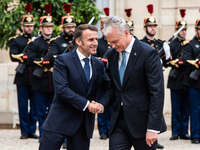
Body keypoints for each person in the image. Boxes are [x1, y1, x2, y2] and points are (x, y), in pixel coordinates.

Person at [39, 24, 110, 150]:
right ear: (78, 41)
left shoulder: (98, 64)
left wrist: (102, 105)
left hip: (83, 125)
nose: (95, 43)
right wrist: (88, 104)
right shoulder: (62, 60)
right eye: (90, 40)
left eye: (96, 39)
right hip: (59, 121)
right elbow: (62, 90)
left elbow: (109, 88)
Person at [99, 16, 165, 150]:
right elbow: (115, 87)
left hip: (142, 122)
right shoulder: (112, 54)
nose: (113, 45)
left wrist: (153, 127)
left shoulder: (148, 53)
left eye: (115, 41)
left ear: (126, 33)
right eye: (110, 42)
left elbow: (157, 92)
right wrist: (102, 104)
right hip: (119, 120)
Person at [47, 3, 76, 149]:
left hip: (75, 82)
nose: (71, 30)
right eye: (68, 27)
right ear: (62, 28)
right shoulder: (56, 42)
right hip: (60, 81)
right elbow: (51, 57)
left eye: (73, 27)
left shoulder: (78, 42)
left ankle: (70, 138)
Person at [141, 4, 169, 149]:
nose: (153, 28)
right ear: (145, 28)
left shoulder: (160, 43)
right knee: (147, 104)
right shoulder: (140, 44)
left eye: (154, 26)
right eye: (150, 26)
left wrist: (167, 54)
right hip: (144, 78)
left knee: (157, 104)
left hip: (158, 76)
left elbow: (168, 62)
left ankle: (155, 136)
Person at [9, 4, 38, 140]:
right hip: (22, 76)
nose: (29, 28)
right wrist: (26, 57)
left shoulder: (37, 40)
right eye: (27, 26)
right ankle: (24, 131)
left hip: (36, 77)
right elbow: (13, 55)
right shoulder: (16, 40)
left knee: (35, 105)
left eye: (31, 26)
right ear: (22, 27)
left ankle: (32, 130)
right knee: (22, 105)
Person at [27, 4, 54, 138]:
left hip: (54, 81)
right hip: (40, 80)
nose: (49, 29)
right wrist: (42, 61)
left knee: (54, 110)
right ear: (41, 28)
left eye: (50, 26)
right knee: (41, 111)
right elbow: (30, 59)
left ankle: (54, 135)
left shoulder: (56, 42)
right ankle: (44, 135)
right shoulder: (35, 43)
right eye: (46, 27)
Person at [167, 9, 190, 141]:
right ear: (177, 30)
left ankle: (184, 131)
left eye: (185, 29)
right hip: (175, 79)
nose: (184, 32)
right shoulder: (172, 44)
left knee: (186, 107)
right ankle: (175, 132)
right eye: (181, 30)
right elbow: (169, 61)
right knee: (176, 107)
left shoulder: (188, 44)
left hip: (186, 79)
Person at [94, 7, 112, 140]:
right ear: (101, 30)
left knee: (111, 104)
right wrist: (102, 59)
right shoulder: (98, 43)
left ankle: (111, 128)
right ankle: (102, 130)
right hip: (101, 77)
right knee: (101, 103)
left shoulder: (113, 42)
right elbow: (94, 58)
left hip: (112, 77)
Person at [182, 16, 200, 144]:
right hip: (195, 82)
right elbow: (186, 60)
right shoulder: (190, 44)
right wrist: (197, 62)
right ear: (196, 30)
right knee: (195, 109)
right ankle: (195, 134)